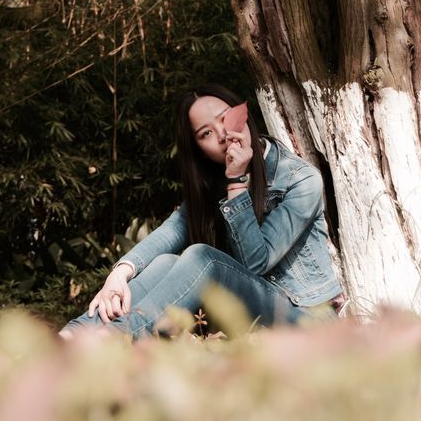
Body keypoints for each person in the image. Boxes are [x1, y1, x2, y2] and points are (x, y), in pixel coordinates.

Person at [59, 84, 344, 341]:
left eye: (224, 118)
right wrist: (119, 274)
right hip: (245, 313)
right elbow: (171, 231)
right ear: (199, 150)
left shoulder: (299, 179)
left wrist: (236, 182)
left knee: (202, 258)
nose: (222, 135)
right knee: (164, 262)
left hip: (305, 318)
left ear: (242, 114)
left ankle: (113, 339)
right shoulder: (213, 182)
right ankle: (74, 335)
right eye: (206, 133)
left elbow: (255, 264)